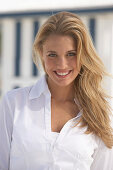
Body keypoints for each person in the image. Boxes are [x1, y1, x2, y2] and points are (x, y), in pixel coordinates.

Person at [0, 11, 113, 170]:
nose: (62, 64)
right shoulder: (14, 103)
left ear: (83, 55)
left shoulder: (103, 111)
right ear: (41, 54)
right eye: (52, 55)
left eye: (71, 54)